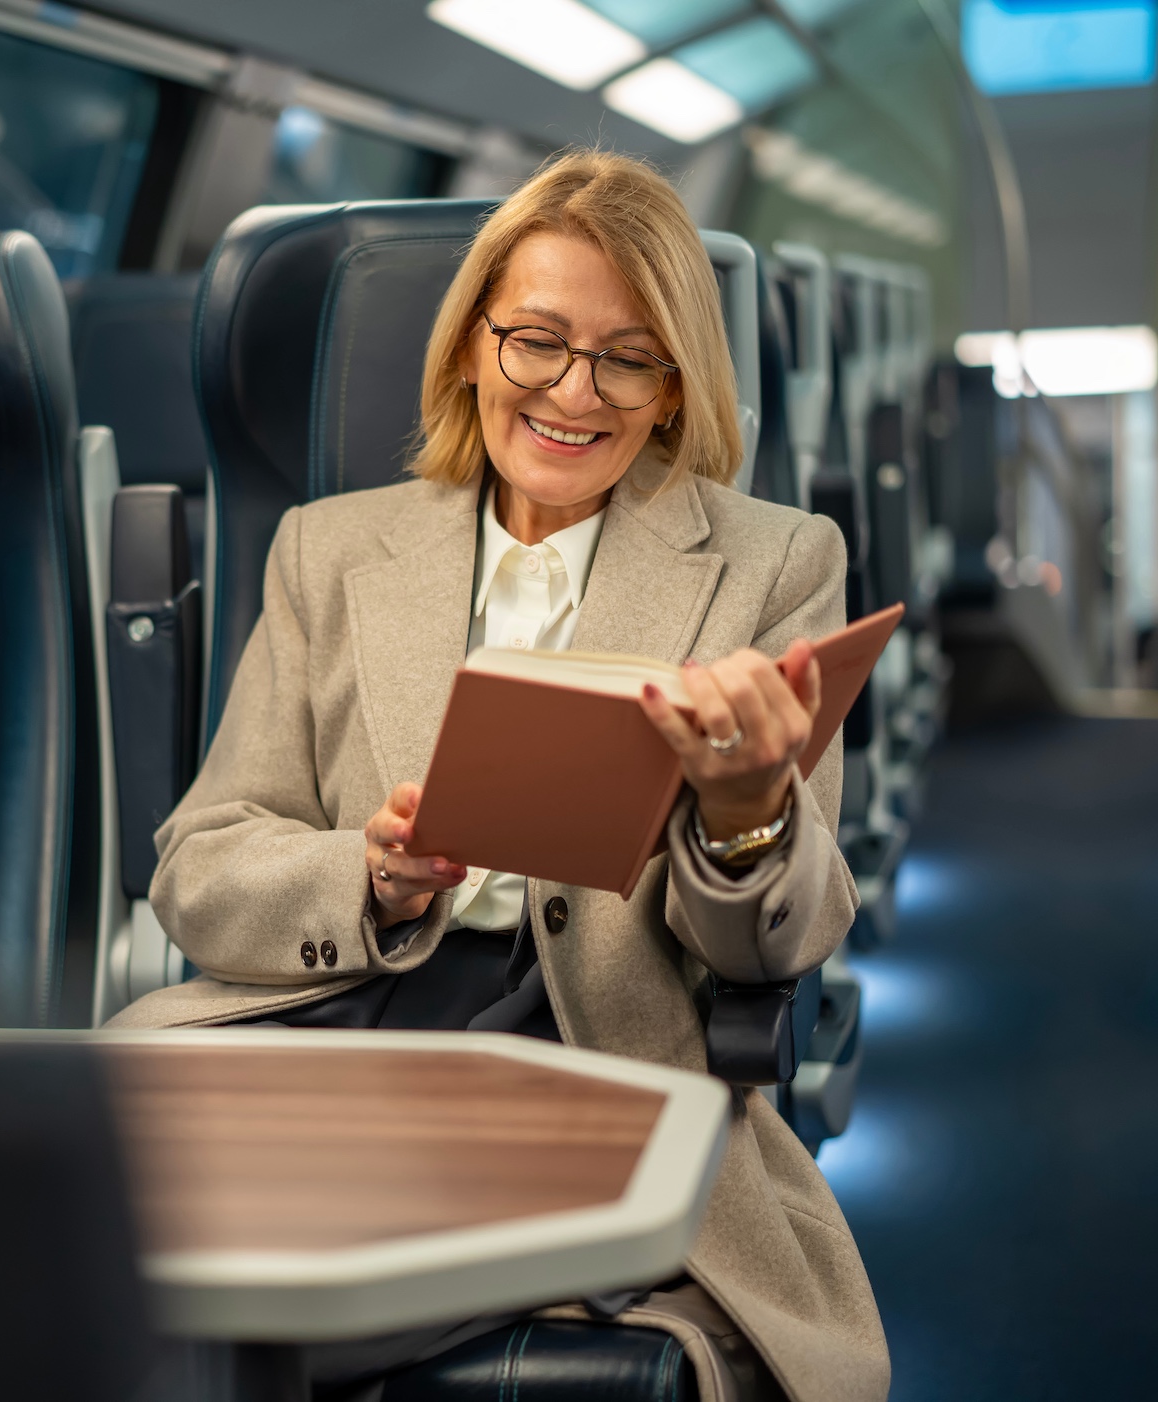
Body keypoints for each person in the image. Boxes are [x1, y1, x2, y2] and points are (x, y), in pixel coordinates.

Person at [108, 149, 888, 1402]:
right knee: (65, 1216)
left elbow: (774, 951)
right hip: (337, 1025)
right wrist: (368, 874)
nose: (572, 392)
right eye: (536, 341)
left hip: (583, 1046)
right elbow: (198, 866)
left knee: (229, 1298)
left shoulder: (774, 564)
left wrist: (745, 817)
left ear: (672, 390)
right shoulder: (328, 550)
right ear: (472, 345)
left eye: (626, 357)